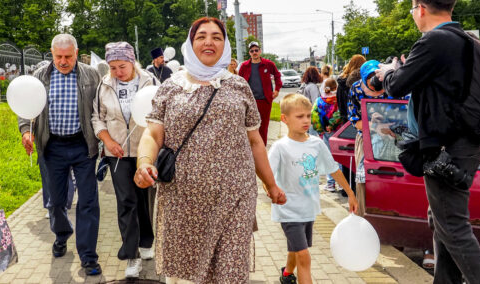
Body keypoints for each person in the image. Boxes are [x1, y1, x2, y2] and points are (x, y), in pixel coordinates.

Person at [133, 17, 286, 284]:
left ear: (225, 45)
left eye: (217, 36)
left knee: (230, 272)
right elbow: (153, 133)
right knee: (188, 274)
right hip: (183, 198)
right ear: (191, 44)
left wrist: (271, 185)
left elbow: (255, 142)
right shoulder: (171, 87)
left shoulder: (238, 86)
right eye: (201, 36)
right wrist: (144, 162)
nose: (209, 41)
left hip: (234, 195)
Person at [376, 0, 480, 282]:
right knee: (440, 221)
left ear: (421, 9)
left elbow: (397, 85)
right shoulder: (468, 42)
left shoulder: (435, 42)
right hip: (465, 144)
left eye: (413, 11)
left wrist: (387, 70)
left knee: (453, 227)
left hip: (446, 148)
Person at [18, 33, 103, 276]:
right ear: (52, 54)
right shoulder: (40, 76)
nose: (63, 61)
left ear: (77, 53)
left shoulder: (91, 74)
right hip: (52, 146)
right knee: (55, 201)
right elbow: (26, 105)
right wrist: (26, 131)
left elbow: (102, 104)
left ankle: (88, 256)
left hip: (83, 145)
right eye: (58, 56)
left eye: (68, 56)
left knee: (88, 202)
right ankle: (62, 233)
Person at [269, 93, 358, 284]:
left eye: (308, 116)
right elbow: (267, 174)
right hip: (288, 209)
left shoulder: (316, 144)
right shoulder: (280, 147)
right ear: (284, 119)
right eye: (299, 116)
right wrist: (272, 189)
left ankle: (286, 275)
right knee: (304, 255)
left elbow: (333, 169)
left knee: (295, 248)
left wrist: (350, 193)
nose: (305, 120)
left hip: (308, 208)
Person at [91, 41, 157, 278]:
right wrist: (108, 141)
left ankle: (146, 241)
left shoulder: (150, 81)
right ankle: (131, 255)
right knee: (126, 203)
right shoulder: (104, 85)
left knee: (145, 201)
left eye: (122, 66)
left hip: (145, 152)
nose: (118, 72)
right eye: (113, 67)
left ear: (132, 62)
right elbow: (96, 118)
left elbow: (161, 114)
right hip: (117, 155)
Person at [348, 60, 407, 216]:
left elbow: (406, 115)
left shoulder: (394, 86)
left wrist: (392, 129)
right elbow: (354, 120)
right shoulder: (356, 89)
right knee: (364, 180)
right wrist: (373, 125)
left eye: (378, 79)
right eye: (371, 81)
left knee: (394, 179)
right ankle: (363, 216)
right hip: (367, 140)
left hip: (395, 140)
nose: (376, 85)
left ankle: (391, 213)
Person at [239, 41, 282, 145]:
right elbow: (239, 81)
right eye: (252, 51)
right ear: (249, 53)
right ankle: (250, 148)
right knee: (249, 126)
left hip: (264, 101)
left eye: (256, 50)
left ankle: (262, 148)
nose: (254, 52)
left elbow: (277, 76)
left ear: (260, 51)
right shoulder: (244, 66)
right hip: (249, 102)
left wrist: (276, 90)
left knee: (263, 126)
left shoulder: (268, 64)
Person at [311, 78, 343, 192]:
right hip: (339, 132)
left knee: (328, 157)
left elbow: (314, 116)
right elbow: (340, 114)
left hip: (325, 133)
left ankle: (330, 183)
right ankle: (341, 183)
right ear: (336, 87)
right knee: (339, 158)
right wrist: (332, 125)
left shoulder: (319, 101)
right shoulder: (338, 100)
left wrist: (321, 129)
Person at [336, 55, 365, 125]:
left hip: (346, 121)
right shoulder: (359, 82)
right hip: (359, 121)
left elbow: (339, 102)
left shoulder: (341, 82)